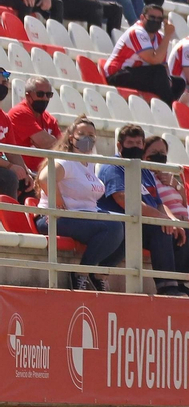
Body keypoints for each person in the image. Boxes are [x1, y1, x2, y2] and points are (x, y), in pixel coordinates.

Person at [98, 124, 189, 297]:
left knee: (180, 229)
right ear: (119, 146)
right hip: (121, 223)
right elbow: (125, 200)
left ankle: (179, 284)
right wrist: (162, 219)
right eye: (130, 143)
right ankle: (166, 287)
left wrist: (172, 220)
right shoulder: (114, 166)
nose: (135, 147)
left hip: (142, 223)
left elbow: (159, 203)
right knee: (161, 229)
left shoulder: (145, 171)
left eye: (138, 143)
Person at [36, 123, 124, 291]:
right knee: (112, 228)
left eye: (91, 135)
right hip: (54, 218)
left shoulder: (90, 163)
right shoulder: (66, 160)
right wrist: (57, 203)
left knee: (129, 226)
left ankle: (99, 275)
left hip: (83, 216)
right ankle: (81, 273)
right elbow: (45, 178)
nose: (87, 138)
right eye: (82, 134)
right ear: (71, 138)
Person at [2, 76, 62, 199]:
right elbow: (43, 142)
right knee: (10, 178)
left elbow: (63, 148)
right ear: (28, 95)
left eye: (48, 95)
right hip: (21, 172)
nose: (45, 98)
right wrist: (12, 167)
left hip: (38, 173)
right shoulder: (19, 113)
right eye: (40, 94)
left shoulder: (50, 119)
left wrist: (26, 173)